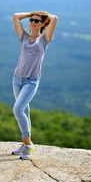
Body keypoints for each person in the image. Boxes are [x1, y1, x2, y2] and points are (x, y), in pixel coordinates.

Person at [12, 11, 58, 160]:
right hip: (17, 79)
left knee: (17, 109)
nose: (33, 22)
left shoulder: (45, 39)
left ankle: (29, 143)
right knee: (24, 111)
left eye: (37, 21)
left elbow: (54, 18)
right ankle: (25, 145)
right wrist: (31, 14)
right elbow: (15, 16)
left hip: (31, 81)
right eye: (32, 20)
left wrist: (43, 15)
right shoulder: (24, 36)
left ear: (43, 23)